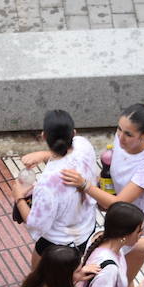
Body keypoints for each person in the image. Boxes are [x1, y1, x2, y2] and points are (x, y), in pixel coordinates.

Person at [65, 102, 144, 282]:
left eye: (128, 134)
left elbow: (119, 203)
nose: (121, 137)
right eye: (119, 129)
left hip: (141, 227)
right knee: (113, 278)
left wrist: (86, 185)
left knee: (124, 281)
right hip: (120, 218)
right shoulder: (120, 141)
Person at [15, 109, 97, 262]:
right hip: (86, 229)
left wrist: (18, 197)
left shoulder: (47, 184)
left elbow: (36, 224)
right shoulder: (84, 145)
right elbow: (69, 155)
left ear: (43, 135)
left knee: (38, 282)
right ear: (74, 133)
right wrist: (44, 155)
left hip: (56, 244)